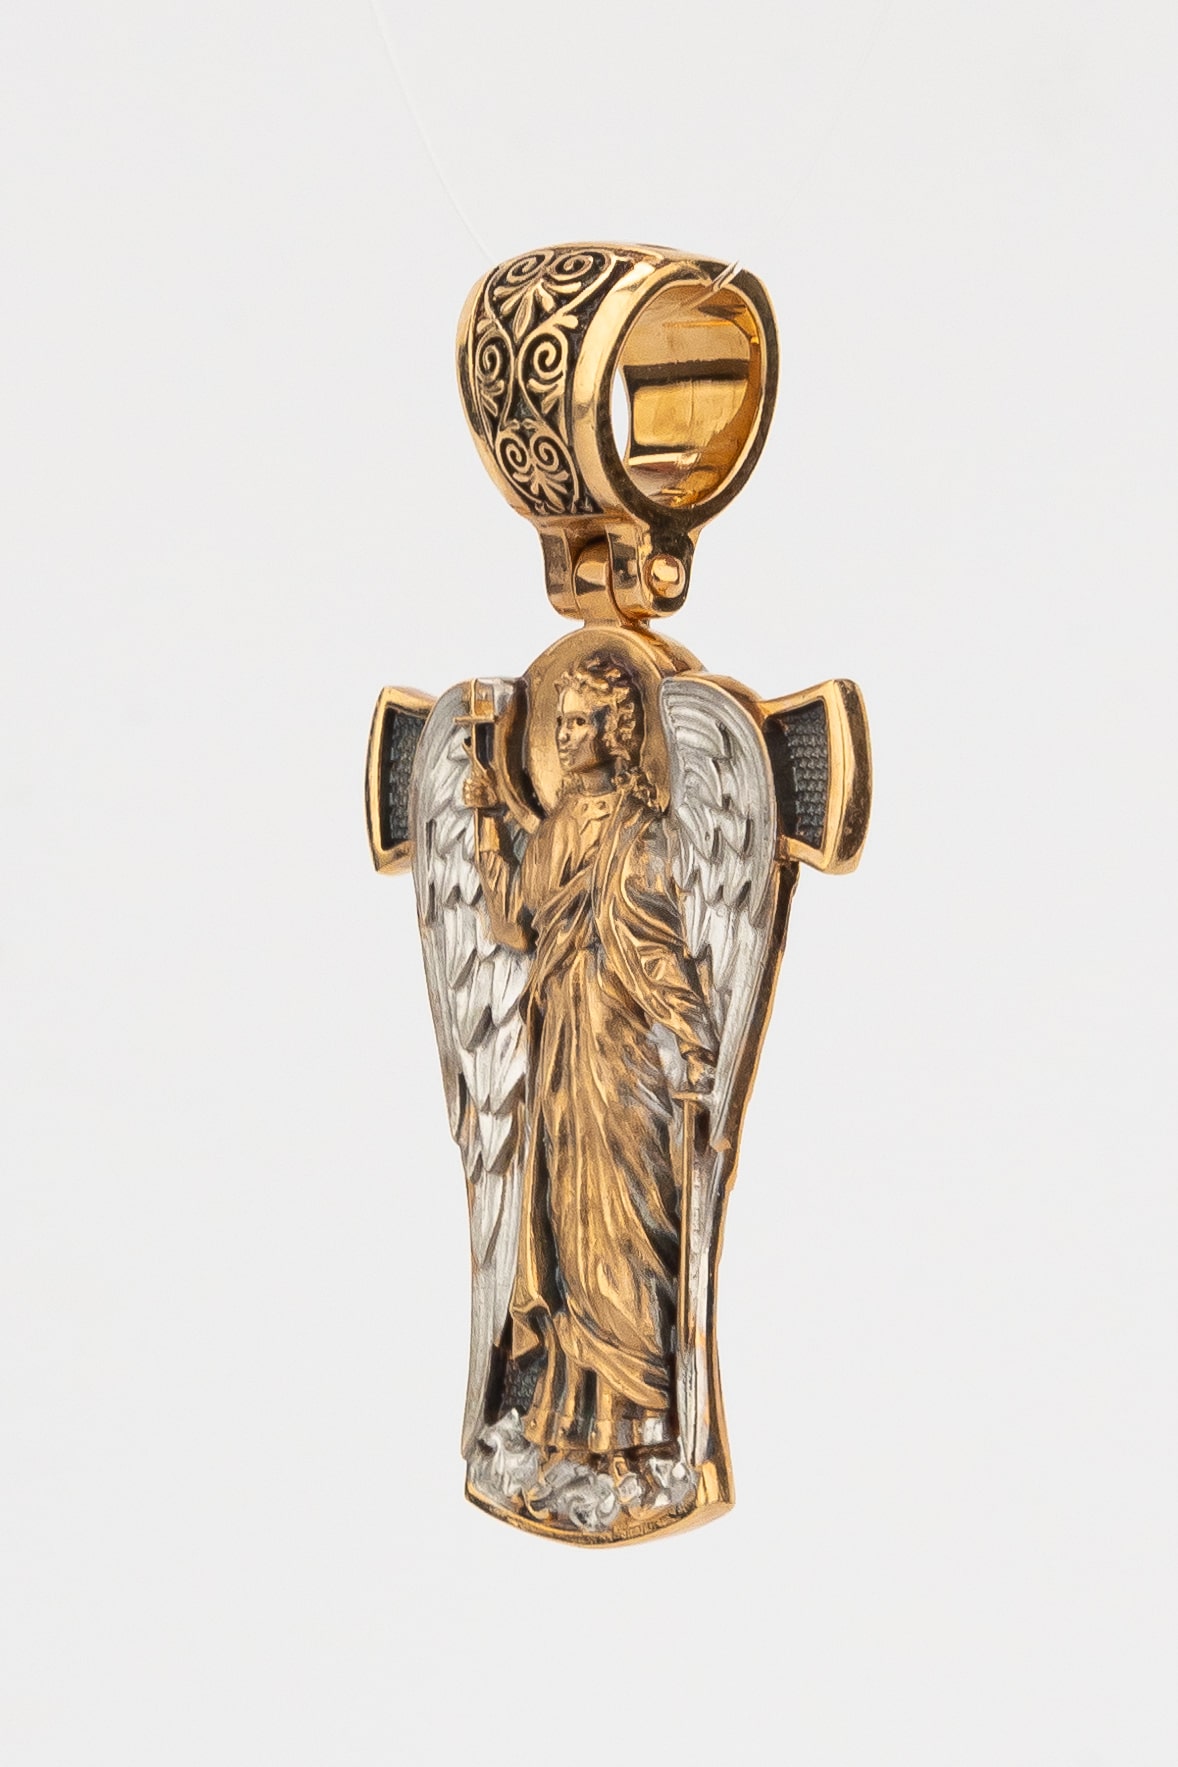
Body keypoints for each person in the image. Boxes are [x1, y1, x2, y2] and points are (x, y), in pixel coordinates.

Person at [463, 652, 717, 1471]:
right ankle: (571, 1415)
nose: (565, 735)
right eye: (561, 721)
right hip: (560, 1047)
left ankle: (640, 1415)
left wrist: (694, 1040)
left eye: (579, 721)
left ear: (616, 731)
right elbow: (514, 922)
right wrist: (485, 823)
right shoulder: (560, 823)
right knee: (567, 1218)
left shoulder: (640, 833)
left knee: (623, 1218)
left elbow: (657, 946)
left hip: (618, 1051)